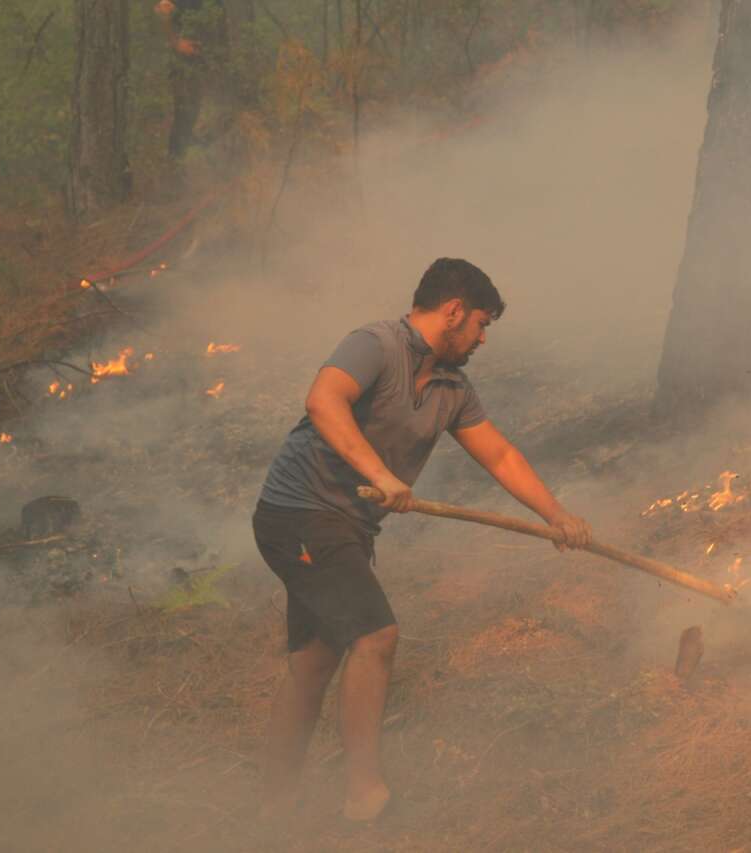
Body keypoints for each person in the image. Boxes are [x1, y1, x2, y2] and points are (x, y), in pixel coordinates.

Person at [252, 258, 592, 822]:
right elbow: (323, 401)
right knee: (376, 636)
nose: (483, 338)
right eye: (481, 324)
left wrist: (558, 515)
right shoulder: (375, 345)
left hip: (347, 526)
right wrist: (381, 474)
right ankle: (366, 797)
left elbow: (501, 455)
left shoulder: (453, 387)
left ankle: (272, 806)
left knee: (313, 662)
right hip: (299, 514)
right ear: (453, 311)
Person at [153, 0, 228, 159]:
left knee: (194, 110)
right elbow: (161, 10)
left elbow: (219, 24)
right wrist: (176, 43)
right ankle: (175, 162)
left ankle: (186, 156)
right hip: (181, 62)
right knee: (184, 112)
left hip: (203, 60)